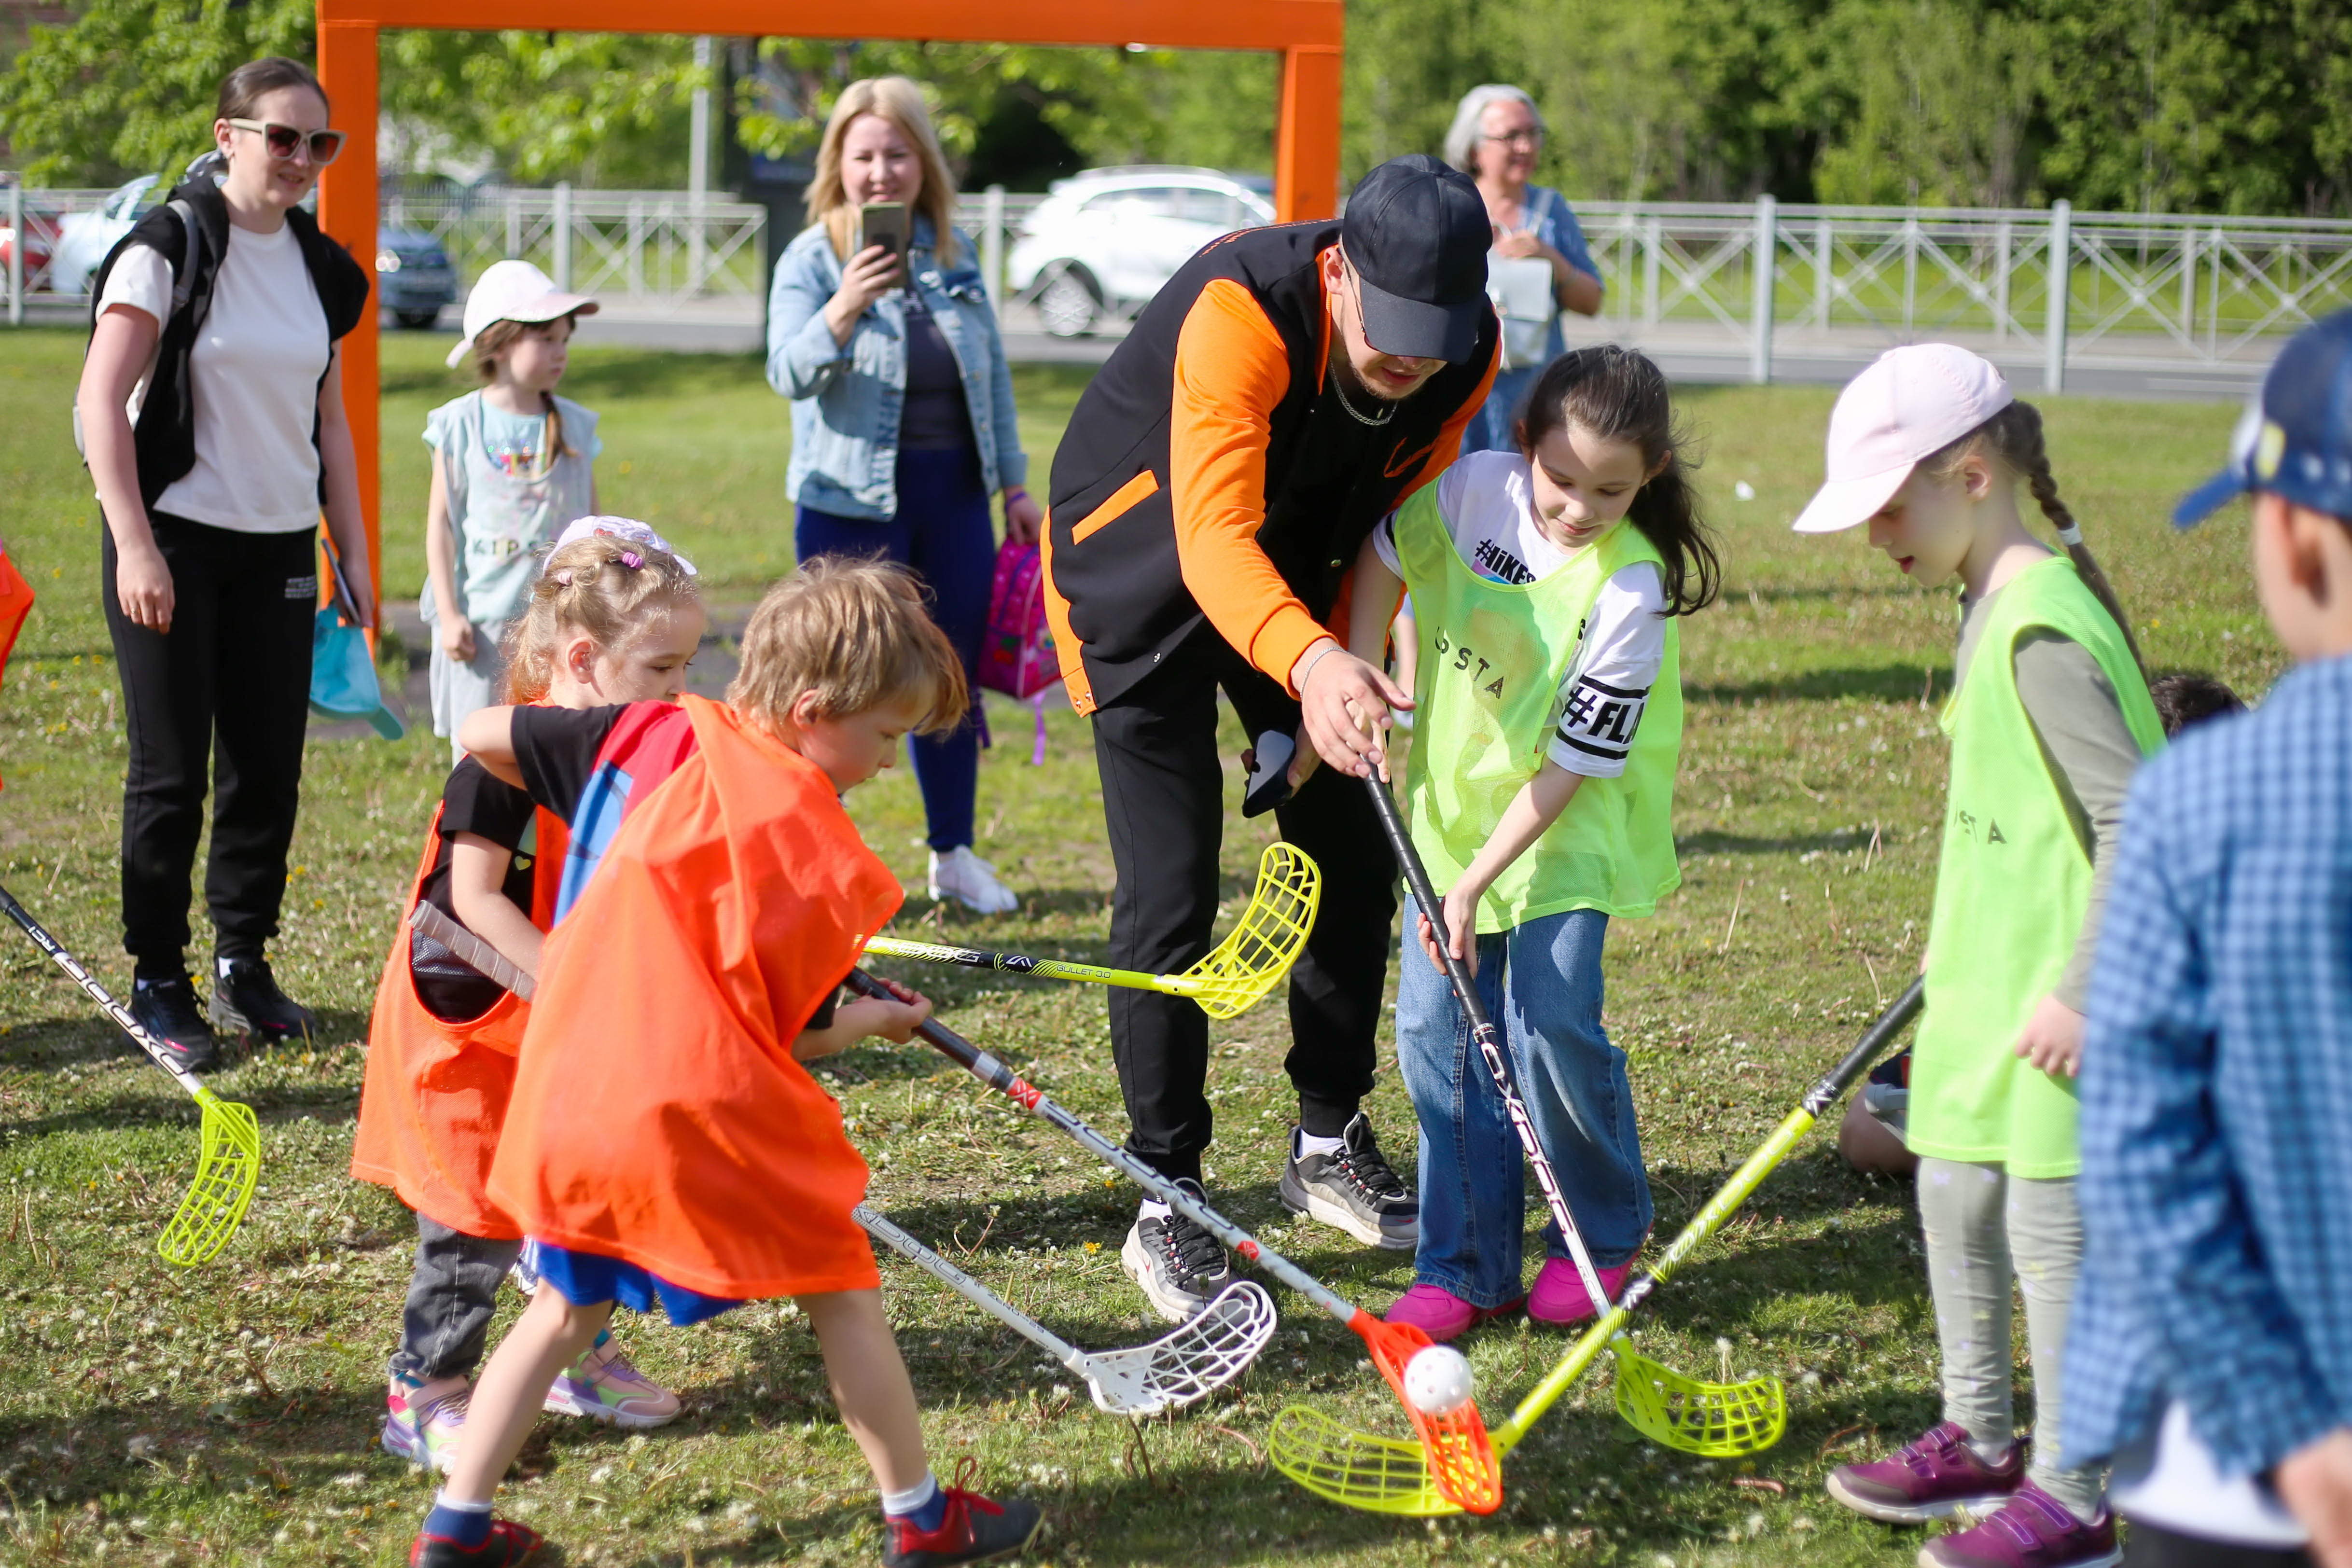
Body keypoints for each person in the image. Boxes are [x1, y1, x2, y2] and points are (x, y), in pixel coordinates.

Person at [414, 558, 1040, 1568]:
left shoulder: (649, 728)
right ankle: (921, 1516)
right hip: (698, 1114)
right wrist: (872, 1024)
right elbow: (785, 1037)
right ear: (811, 708)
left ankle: (453, 1529)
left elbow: (483, 737)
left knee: (564, 1306)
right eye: (883, 735)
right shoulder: (820, 852)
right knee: (841, 1285)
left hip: (570, 1088)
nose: (884, 764)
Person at [1042, 153, 1500, 1322]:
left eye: (1432, 337)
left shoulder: (1462, 351)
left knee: (1350, 840)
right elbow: (1211, 540)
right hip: (1139, 565)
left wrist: (1333, 684)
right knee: (1171, 892)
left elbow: (1394, 521)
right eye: (1389, 326)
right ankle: (1168, 1191)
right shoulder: (1242, 312)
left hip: (1298, 581)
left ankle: (1327, 1135)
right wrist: (1309, 660)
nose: (1410, 360)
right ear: (1340, 272)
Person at [1799, 345, 2162, 1568]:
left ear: (1971, 472)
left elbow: (2138, 822)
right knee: (1953, 1189)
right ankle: (1980, 1437)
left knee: (2048, 1236)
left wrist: (2081, 992)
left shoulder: (2042, 630)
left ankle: (2073, 1495)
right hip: (1981, 985)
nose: (1874, 535)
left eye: (1889, 505)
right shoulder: (1988, 601)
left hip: (2064, 1000)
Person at [1345, 346, 1713, 1341]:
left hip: (1561, 830)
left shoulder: (1630, 589)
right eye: (1560, 478)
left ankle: (1600, 1232)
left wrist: (1468, 887)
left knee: (1548, 1025)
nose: (1576, 507)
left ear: (1651, 475)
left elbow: (1567, 767)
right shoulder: (1472, 491)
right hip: (1449, 808)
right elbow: (1384, 554)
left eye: (1610, 488)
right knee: (1436, 1039)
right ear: (1525, 444)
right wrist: (1362, 665)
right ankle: (1466, 1267)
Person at [2064, 314, 2352, 1568]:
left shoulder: (2203, 798)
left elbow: (2139, 1153)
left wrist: (2296, 1437)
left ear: (2288, 531)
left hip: (2236, 1460)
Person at [354, 525, 702, 1473]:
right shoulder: (506, 755)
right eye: (662, 667)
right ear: (583, 659)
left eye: (686, 665)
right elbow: (467, 904)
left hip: (553, 1025)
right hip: (466, 1030)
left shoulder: (623, 757)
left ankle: (573, 1353)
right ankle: (424, 1388)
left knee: (576, 1186)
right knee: (475, 1217)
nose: (678, 689)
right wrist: (566, 983)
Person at [75, 55, 375, 1072]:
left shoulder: (319, 266)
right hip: (174, 538)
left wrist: (355, 552)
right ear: (227, 137)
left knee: (267, 769)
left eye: (317, 144)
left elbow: (330, 421)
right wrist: (134, 543)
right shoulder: (166, 246)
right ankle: (159, 975)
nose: (300, 160)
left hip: (281, 545)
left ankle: (245, 955)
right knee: (171, 775)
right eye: (280, 138)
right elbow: (95, 404)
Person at [767, 76, 1038, 917]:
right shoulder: (812, 257)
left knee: (946, 680)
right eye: (863, 156)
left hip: (952, 497)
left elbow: (988, 374)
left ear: (921, 163)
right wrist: (844, 307)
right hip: (847, 503)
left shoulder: (952, 258)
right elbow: (787, 370)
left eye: (897, 154)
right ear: (837, 166)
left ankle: (951, 852)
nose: (880, 172)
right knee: (832, 684)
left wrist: (1014, 484)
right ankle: (813, 860)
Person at [422, 260, 602, 762]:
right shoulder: (459, 425)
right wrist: (450, 613)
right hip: (482, 627)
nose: (560, 353)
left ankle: (543, 838)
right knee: (480, 751)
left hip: (557, 623)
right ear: (500, 344)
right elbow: (441, 524)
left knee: (551, 745)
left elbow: (593, 522)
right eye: (546, 340)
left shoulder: (575, 425)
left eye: (565, 340)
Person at [1442, 84, 1604, 455]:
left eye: (1533, 134)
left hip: (1534, 396)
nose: (1526, 147)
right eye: (1511, 136)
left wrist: (1551, 259)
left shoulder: (1551, 211)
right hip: (1458, 394)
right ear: (1474, 148)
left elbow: (1592, 301)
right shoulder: (1449, 208)